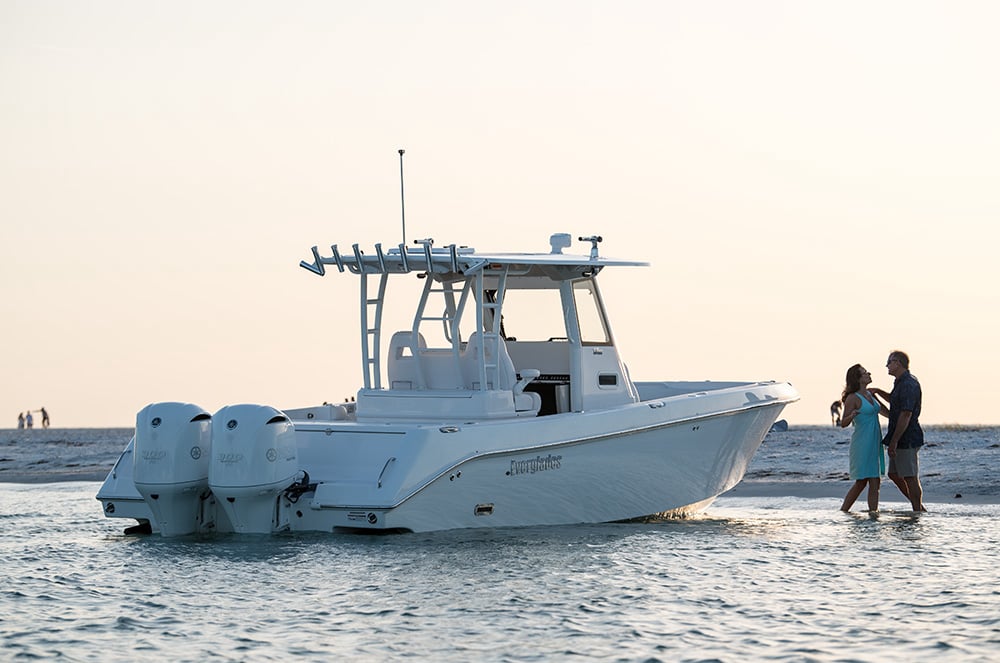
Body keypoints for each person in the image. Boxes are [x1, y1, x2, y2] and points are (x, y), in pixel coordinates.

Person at [870, 350, 926, 512]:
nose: (887, 365)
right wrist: (878, 392)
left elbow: (906, 414)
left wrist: (894, 441)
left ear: (898, 363)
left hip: (907, 436)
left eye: (889, 362)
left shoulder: (909, 383)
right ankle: (919, 507)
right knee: (894, 474)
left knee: (910, 476)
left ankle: (917, 510)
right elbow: (895, 401)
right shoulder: (899, 382)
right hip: (898, 436)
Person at [838, 364, 888, 512]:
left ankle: (874, 514)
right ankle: (844, 511)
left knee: (875, 481)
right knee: (861, 481)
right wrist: (851, 415)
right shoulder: (853, 398)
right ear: (858, 379)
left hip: (874, 441)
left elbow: (887, 413)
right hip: (862, 443)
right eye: (865, 373)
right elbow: (843, 423)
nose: (869, 374)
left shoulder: (871, 395)